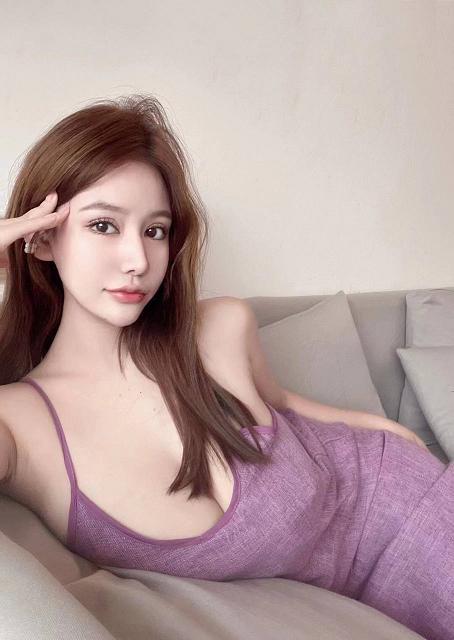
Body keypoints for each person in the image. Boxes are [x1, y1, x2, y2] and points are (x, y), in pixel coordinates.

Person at [0, 94, 452, 640]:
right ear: (41, 237)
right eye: (103, 225)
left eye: (155, 230)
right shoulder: (18, 424)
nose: (138, 260)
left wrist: (386, 431)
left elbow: (283, 403)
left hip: (398, 501)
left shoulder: (216, 328)